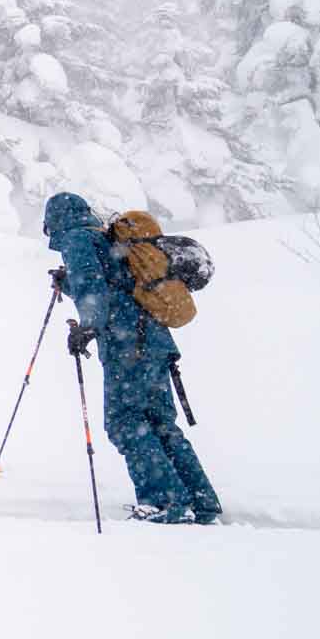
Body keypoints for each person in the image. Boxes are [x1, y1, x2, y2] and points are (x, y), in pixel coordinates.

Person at [43, 193, 221, 524]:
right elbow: (116, 284)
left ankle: (164, 503)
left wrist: (87, 327)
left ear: (53, 222)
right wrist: (67, 284)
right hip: (154, 341)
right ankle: (200, 501)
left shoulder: (77, 237)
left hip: (129, 347)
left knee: (126, 423)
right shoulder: (105, 238)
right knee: (158, 423)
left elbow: (92, 285)